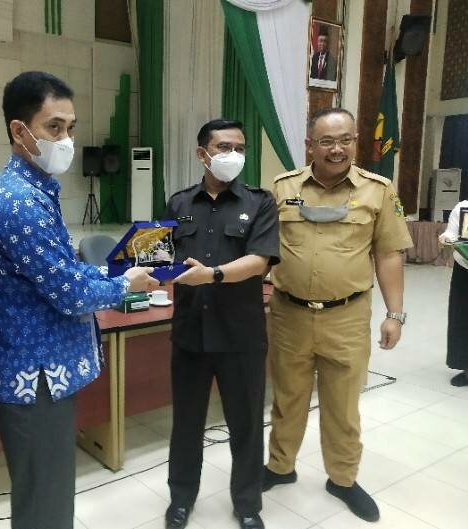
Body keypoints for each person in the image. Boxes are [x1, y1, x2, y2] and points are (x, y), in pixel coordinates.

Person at [0, 71, 157, 529]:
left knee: (48, 495)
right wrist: (124, 284)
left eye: (70, 128)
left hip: (42, 376)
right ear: (19, 130)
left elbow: (63, 272)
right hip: (35, 378)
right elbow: (71, 294)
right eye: (53, 127)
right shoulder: (21, 203)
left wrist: (111, 272)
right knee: (46, 503)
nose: (66, 140)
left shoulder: (35, 190)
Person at [263, 108, 413, 522]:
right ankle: (280, 466)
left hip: (347, 316)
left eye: (346, 140)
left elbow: (388, 255)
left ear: (355, 142)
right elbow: (263, 250)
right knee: (287, 398)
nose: (337, 149)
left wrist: (395, 314)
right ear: (310, 145)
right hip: (289, 314)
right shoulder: (282, 188)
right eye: (327, 141)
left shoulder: (378, 190)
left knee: (343, 406)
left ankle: (343, 479)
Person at [163, 119, 280, 529]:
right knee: (186, 423)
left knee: (246, 425)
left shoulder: (260, 202)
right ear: (202, 154)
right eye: (224, 147)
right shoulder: (179, 203)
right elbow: (161, 255)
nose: (233, 155)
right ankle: (181, 499)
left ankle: (247, 505)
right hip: (190, 334)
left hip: (240, 335)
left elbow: (260, 261)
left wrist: (211, 274)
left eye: (239, 148)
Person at [439, 200, 468, 386]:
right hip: (464, 271)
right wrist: (446, 238)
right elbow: (451, 233)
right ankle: (466, 368)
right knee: (463, 318)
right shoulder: (463, 207)